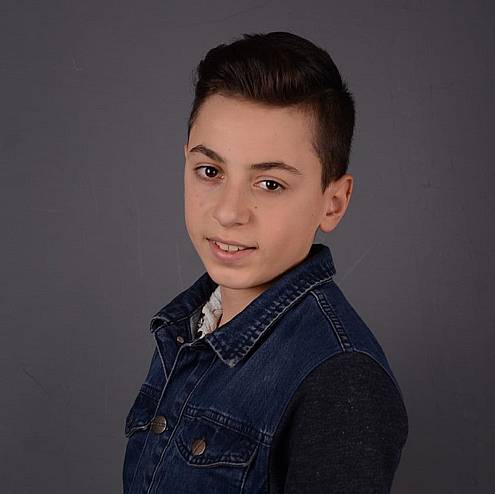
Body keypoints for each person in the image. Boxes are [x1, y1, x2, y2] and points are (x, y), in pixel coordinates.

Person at [122, 31, 408, 493]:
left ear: (333, 202)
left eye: (270, 184)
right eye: (210, 171)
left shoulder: (342, 380)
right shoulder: (187, 329)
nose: (229, 212)